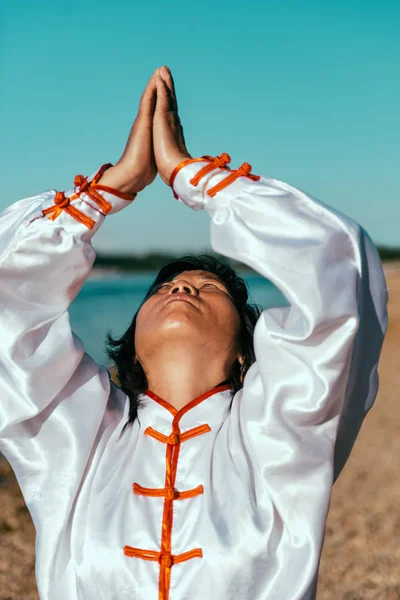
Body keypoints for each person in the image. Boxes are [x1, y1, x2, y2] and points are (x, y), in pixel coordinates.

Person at [0, 66, 388, 600]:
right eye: (162, 288)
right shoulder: (78, 438)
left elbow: (341, 270)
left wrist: (193, 175)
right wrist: (110, 188)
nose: (181, 288)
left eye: (210, 286)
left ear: (245, 352)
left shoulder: (278, 435)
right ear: (131, 339)